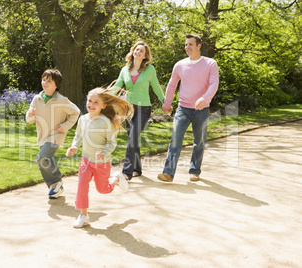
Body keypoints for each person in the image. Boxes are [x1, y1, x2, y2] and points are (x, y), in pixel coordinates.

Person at [66, 87, 134, 228]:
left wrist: (104, 152)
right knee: (81, 186)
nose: (91, 104)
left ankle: (116, 178)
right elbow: (78, 136)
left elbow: (112, 142)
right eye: (90, 101)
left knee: (103, 189)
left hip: (102, 163)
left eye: (96, 102)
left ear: (103, 106)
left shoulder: (104, 122)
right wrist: (74, 147)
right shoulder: (83, 119)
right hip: (86, 160)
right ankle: (83, 215)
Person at [158, 34, 219, 183]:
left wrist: (205, 99)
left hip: (202, 110)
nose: (187, 47)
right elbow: (172, 85)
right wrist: (167, 102)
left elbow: (214, 84)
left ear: (199, 46)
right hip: (182, 109)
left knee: (199, 141)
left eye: (190, 44)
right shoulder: (180, 65)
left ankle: (194, 170)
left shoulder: (210, 63)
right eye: (186, 45)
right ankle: (168, 173)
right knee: (175, 140)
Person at [114, 41, 165, 181]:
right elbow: (118, 85)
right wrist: (105, 96)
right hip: (128, 109)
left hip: (144, 108)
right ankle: (137, 169)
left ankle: (126, 172)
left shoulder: (150, 70)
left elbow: (156, 87)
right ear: (133, 52)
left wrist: (164, 101)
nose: (138, 52)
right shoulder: (125, 69)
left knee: (132, 138)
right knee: (133, 139)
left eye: (141, 51)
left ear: (145, 56)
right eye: (137, 49)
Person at [26, 69, 80, 199]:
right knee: (43, 161)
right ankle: (55, 187)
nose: (45, 82)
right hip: (42, 137)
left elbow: (76, 112)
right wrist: (30, 115)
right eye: (44, 80)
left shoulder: (62, 100)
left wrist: (65, 126)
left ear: (57, 85)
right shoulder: (37, 99)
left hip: (56, 135)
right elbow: (29, 120)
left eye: (49, 81)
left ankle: (56, 182)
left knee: (41, 157)